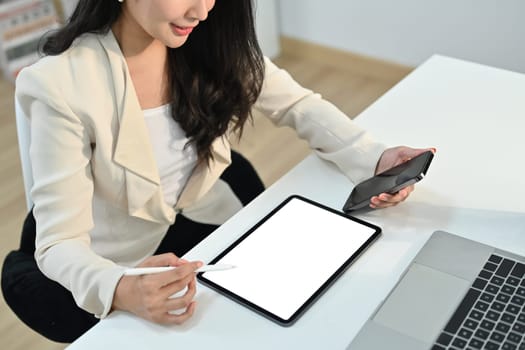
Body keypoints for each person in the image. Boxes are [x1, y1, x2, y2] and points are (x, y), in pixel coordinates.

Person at [1, 0, 434, 343]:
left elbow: (296, 105)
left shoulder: (210, 41)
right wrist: (119, 289)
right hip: (116, 255)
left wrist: (374, 157)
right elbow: (59, 242)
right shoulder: (60, 84)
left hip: (201, 213)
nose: (203, 10)